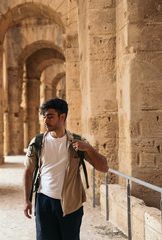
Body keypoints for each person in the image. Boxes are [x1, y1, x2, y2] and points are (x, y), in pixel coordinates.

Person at [23, 98, 108, 240]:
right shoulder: (37, 142)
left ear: (62, 117)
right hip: (44, 202)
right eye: (44, 117)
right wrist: (27, 200)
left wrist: (88, 148)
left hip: (71, 204)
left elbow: (104, 167)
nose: (46, 120)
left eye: (50, 116)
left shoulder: (77, 142)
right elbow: (28, 171)